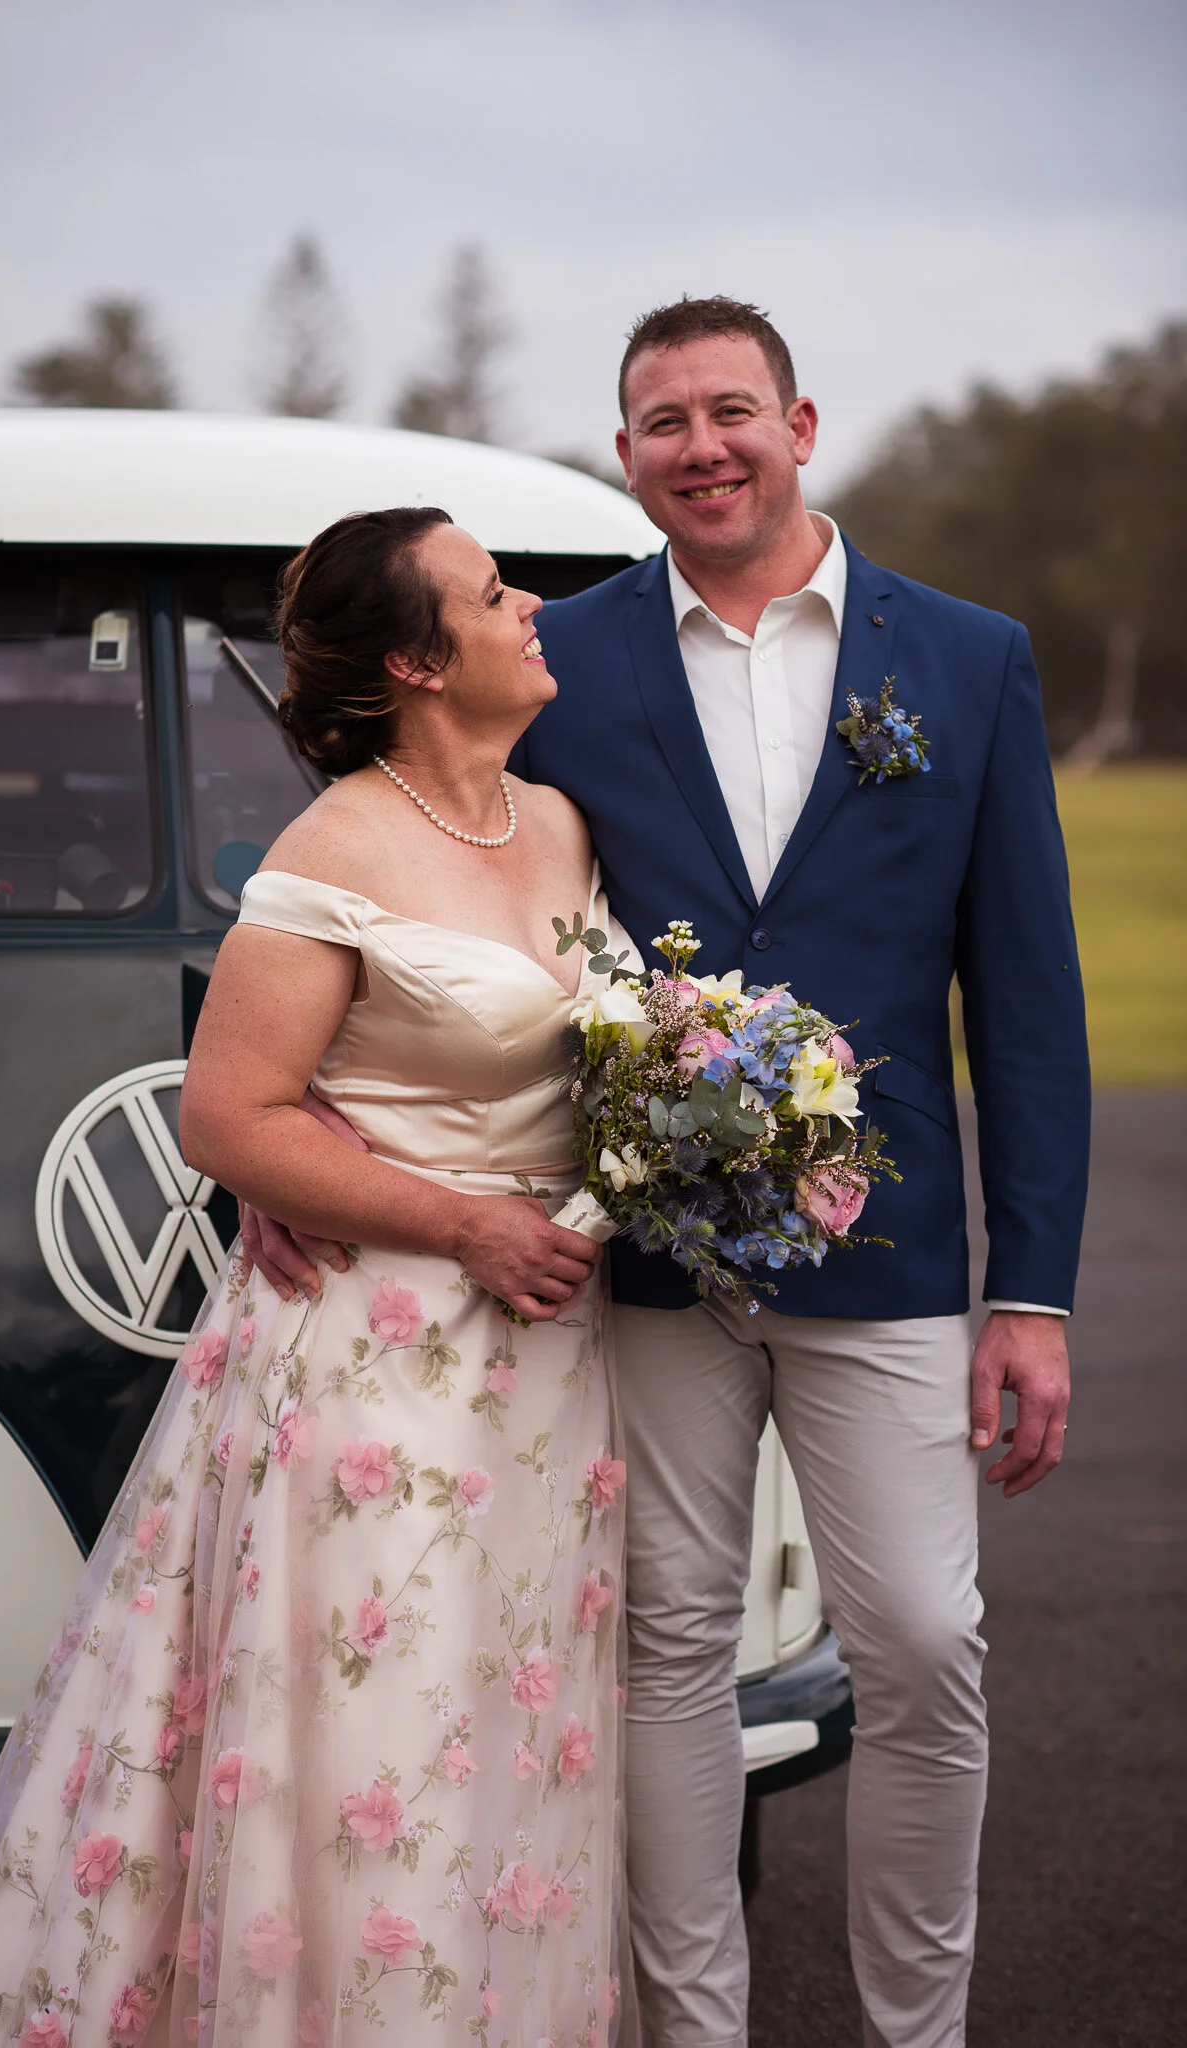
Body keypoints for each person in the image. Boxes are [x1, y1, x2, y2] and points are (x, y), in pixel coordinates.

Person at [248, 299, 1091, 2048]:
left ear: (797, 421)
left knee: (927, 1647)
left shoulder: (964, 658)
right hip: (632, 1259)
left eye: (729, 413)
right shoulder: (559, 659)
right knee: (669, 1647)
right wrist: (300, 1136)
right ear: (623, 453)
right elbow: (410, 874)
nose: (700, 448)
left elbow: (1023, 999)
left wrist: (1030, 1290)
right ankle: (692, 2031)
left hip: (891, 1250)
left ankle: (913, 2030)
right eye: (659, 424)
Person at [0, 509, 632, 2047]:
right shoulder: (330, 849)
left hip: (546, 1365)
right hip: (377, 1368)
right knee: (381, 1730)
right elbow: (230, 1119)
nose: (530, 605)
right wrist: (465, 1221)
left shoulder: (556, 821)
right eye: (494, 593)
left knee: (509, 1723)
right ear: (419, 661)